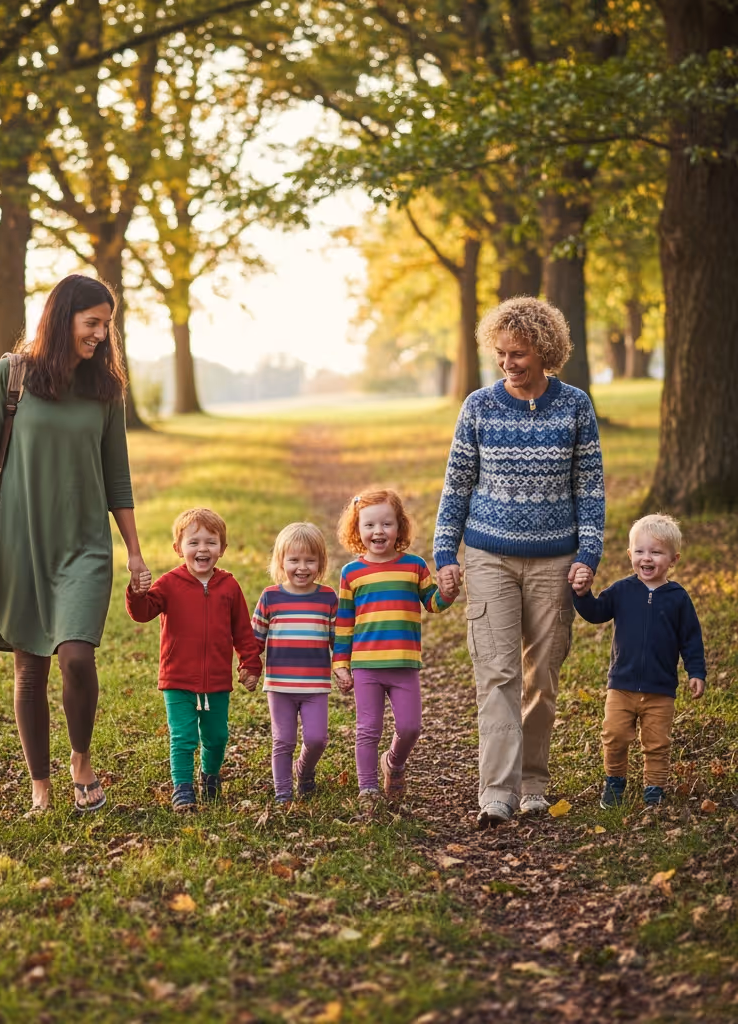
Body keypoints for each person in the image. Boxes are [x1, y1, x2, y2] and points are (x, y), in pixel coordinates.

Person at [0, 275, 149, 814]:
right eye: (93, 323)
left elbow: (117, 477)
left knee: (77, 656)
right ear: (64, 319)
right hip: (20, 541)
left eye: (107, 325)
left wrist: (133, 549)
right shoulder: (10, 376)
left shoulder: (107, 389)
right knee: (30, 669)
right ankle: (41, 785)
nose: (103, 335)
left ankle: (80, 759)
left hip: (84, 544)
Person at [433, 296, 605, 829]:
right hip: (489, 559)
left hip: (556, 562)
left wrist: (589, 552)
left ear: (546, 351)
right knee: (497, 674)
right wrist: (445, 553)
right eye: (503, 352)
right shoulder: (479, 407)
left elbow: (590, 487)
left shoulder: (575, 405)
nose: (509, 362)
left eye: (521, 353)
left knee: (542, 677)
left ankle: (534, 783)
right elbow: (456, 485)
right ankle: (497, 792)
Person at [126, 507, 262, 811]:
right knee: (183, 736)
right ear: (178, 548)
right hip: (177, 678)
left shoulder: (229, 587)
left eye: (211, 542)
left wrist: (250, 664)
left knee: (216, 736)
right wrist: (137, 592)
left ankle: (210, 776)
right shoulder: (169, 584)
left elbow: (242, 630)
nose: (203, 549)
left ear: (222, 549)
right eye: (194, 542)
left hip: (215, 680)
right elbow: (143, 612)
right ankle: (183, 788)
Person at [332, 488, 455, 809]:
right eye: (369, 525)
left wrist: (448, 593)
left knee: (411, 727)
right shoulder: (351, 573)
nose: (378, 531)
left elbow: (433, 603)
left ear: (399, 527)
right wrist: (340, 664)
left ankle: (394, 763)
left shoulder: (414, 566)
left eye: (386, 524)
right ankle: (368, 788)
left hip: (403, 665)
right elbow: (344, 623)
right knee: (367, 730)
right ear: (357, 530)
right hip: (366, 666)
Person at [572, 513, 705, 809]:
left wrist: (696, 671)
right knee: (615, 735)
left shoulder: (678, 598)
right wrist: (581, 594)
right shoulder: (621, 590)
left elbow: (691, 639)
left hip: (661, 688)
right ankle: (615, 782)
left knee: (657, 743)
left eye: (656, 552)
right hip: (622, 684)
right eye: (641, 551)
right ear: (631, 554)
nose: (647, 558)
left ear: (673, 559)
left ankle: (654, 789)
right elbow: (595, 612)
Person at [251, 522, 338, 805]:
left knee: (317, 739)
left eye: (310, 560)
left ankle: (304, 769)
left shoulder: (327, 598)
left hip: (315, 686)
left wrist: (344, 668)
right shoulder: (270, 597)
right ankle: (283, 794)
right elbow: (255, 639)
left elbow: (339, 640)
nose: (302, 567)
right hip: (280, 686)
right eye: (294, 560)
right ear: (281, 561)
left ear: (320, 563)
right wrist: (249, 667)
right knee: (283, 741)